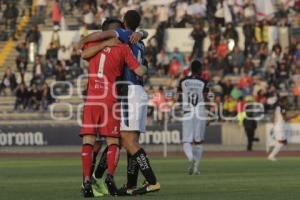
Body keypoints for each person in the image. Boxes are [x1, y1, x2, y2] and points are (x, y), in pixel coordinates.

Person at [80, 10, 160, 196]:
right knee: (126, 140)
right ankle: (130, 185)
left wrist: (83, 41)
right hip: (138, 92)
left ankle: (151, 181)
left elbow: (101, 36)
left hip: (127, 91)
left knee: (123, 140)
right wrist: (142, 33)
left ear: (124, 23)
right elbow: (142, 62)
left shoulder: (123, 36)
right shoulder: (139, 42)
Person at [177, 60, 210, 175]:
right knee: (199, 141)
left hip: (188, 112)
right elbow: (207, 99)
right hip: (200, 112)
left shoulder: (183, 81)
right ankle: (196, 168)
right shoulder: (204, 82)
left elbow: (179, 98)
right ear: (199, 69)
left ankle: (191, 159)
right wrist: (209, 115)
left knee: (187, 141)